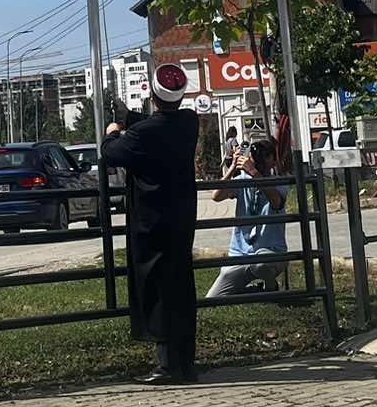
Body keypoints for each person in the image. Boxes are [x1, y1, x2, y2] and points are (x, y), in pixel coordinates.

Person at [104, 60, 202, 384]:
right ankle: (186, 361)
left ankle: (167, 364)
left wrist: (114, 130)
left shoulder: (141, 134)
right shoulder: (190, 122)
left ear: (153, 96)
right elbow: (158, 126)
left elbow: (111, 153)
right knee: (181, 285)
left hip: (151, 222)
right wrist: (129, 120)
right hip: (182, 219)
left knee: (157, 289)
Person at [208, 137, 286, 297]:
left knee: (261, 264)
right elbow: (216, 196)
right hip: (240, 254)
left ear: (273, 160)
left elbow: (276, 202)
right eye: (256, 155)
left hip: (270, 252)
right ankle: (256, 291)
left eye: (265, 155)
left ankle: (271, 287)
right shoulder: (242, 181)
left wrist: (254, 172)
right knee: (214, 298)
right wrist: (232, 168)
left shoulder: (279, 181)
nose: (260, 159)